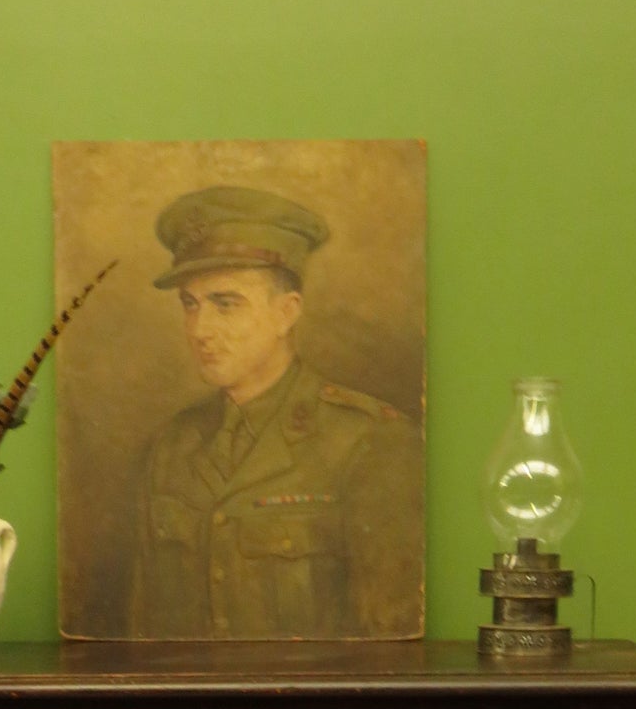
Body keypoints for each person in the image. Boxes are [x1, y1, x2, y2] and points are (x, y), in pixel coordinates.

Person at [128, 185, 423, 639]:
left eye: (226, 304)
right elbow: (143, 637)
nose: (200, 330)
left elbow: (388, 644)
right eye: (190, 305)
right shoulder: (172, 446)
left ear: (287, 313)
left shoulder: (368, 441)